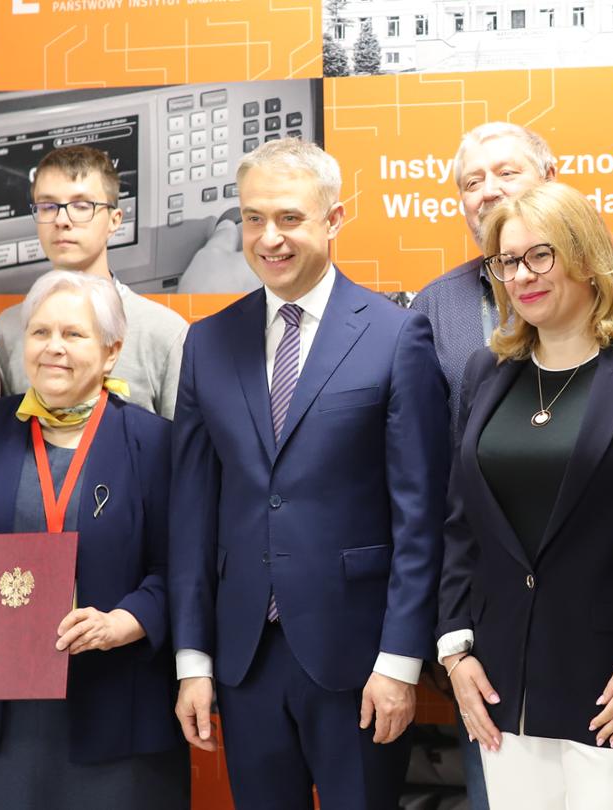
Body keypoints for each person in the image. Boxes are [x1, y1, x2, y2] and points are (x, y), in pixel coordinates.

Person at [168, 138, 449, 809]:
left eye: (290, 218)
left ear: (334, 218)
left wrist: (399, 662)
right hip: (243, 660)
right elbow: (190, 516)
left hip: (356, 661)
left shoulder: (395, 334)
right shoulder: (208, 342)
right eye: (254, 218)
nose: (270, 237)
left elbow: (421, 515)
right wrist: (193, 662)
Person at [437, 180, 613, 809]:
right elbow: (462, 525)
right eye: (507, 262)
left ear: (587, 258)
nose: (522, 276)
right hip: (503, 685)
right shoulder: (488, 372)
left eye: (542, 255)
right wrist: (455, 651)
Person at [0, 271, 189, 809]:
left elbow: (180, 569)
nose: (54, 348)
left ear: (111, 352)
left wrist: (125, 622)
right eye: (40, 333)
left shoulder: (155, 442)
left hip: (114, 710)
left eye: (74, 334)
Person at [412, 122, 613, 437]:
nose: (489, 192)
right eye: (472, 182)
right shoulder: (434, 306)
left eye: (507, 174)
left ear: (549, 179)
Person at [0, 145, 189, 418]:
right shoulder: (9, 330)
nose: (61, 220)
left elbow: (185, 450)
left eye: (81, 206)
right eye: (47, 206)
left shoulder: (163, 332)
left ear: (114, 220)